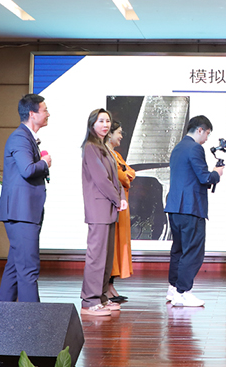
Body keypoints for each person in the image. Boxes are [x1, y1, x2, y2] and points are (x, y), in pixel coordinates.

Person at [165, 115, 224, 307]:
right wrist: (217, 173)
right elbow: (204, 177)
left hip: (175, 207)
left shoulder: (178, 147)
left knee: (179, 250)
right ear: (200, 130)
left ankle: (173, 289)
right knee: (193, 252)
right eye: (207, 134)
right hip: (190, 207)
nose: (206, 138)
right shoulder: (195, 148)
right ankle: (183, 292)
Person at [0, 93, 52, 303]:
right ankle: (33, 317)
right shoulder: (20, 137)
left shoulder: (25, 136)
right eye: (45, 110)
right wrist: (45, 162)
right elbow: (28, 170)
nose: (48, 114)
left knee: (14, 268)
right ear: (32, 114)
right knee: (29, 268)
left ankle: (1, 313)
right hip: (21, 213)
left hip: (24, 212)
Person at [80, 109, 127, 316]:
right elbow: (101, 179)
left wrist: (121, 198)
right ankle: (89, 301)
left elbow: (116, 178)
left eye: (107, 121)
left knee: (106, 258)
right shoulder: (91, 147)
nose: (105, 124)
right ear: (92, 124)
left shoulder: (103, 147)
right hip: (99, 208)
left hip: (109, 208)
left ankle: (101, 298)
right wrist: (117, 199)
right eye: (101, 121)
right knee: (96, 256)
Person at [106, 121, 135, 302]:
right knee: (112, 246)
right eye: (119, 132)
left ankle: (111, 286)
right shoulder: (106, 154)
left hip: (122, 206)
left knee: (119, 245)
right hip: (113, 206)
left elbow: (130, 173)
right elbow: (122, 176)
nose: (121, 136)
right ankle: (107, 287)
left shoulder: (116, 155)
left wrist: (125, 174)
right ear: (109, 134)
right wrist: (125, 174)